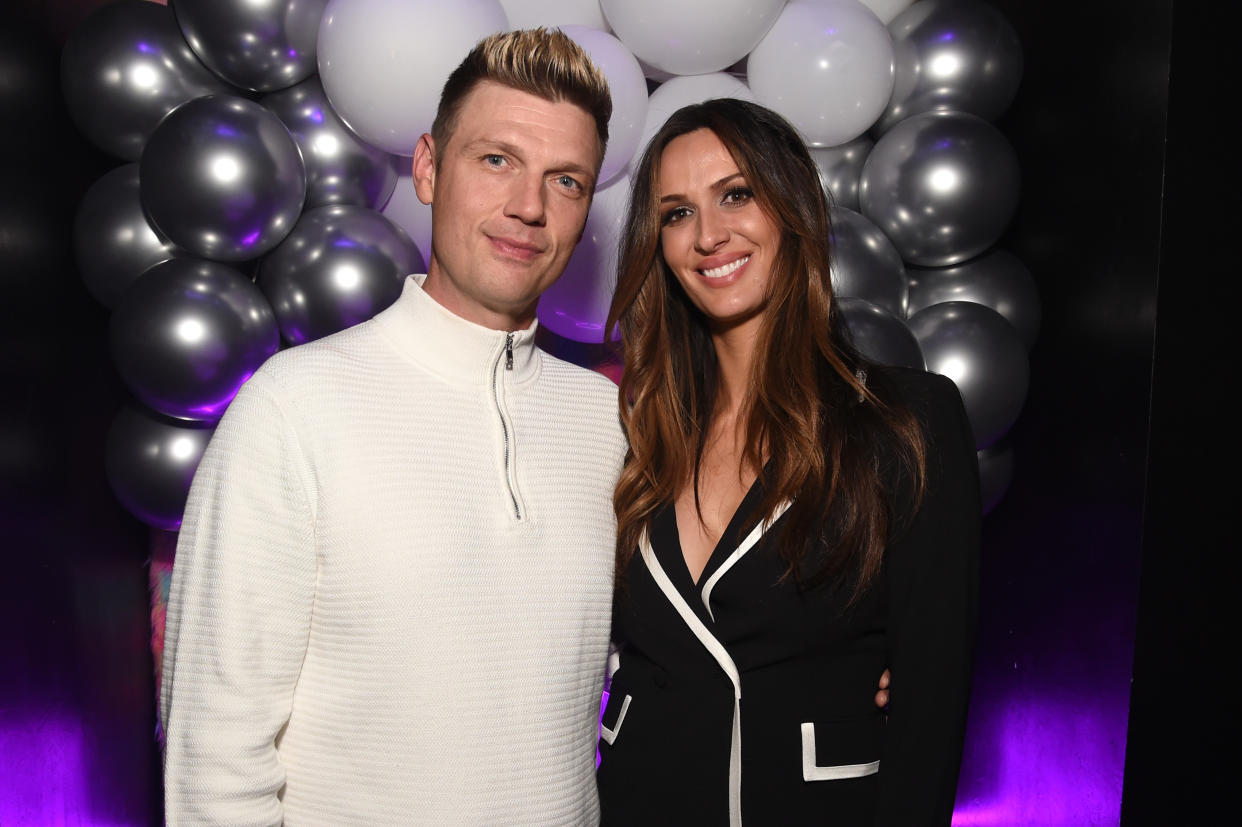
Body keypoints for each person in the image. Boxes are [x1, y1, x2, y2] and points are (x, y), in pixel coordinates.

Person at [159, 29, 628, 825]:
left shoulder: (609, 423)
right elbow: (216, 759)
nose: (529, 206)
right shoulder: (294, 407)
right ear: (427, 167)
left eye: (567, 180)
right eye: (496, 160)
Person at [595, 98, 981, 826]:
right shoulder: (635, 432)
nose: (709, 235)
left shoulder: (906, 420)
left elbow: (933, 708)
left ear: (792, 205)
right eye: (676, 213)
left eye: (736, 194)